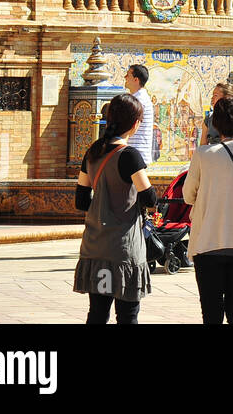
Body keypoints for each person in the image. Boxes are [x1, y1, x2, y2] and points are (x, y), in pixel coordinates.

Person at [73, 93, 155, 324]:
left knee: (98, 314)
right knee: (127, 315)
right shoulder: (129, 155)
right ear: (135, 123)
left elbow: (81, 201)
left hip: (96, 247)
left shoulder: (93, 152)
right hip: (123, 251)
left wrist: (103, 207)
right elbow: (149, 198)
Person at [184, 94, 233, 325]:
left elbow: (188, 196)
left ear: (215, 124)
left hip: (208, 243)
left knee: (211, 313)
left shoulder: (202, 155)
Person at [123, 64, 154, 166]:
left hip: (135, 154)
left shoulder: (138, 100)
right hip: (136, 153)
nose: (125, 77)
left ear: (136, 80)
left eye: (128, 75)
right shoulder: (140, 98)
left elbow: (130, 128)